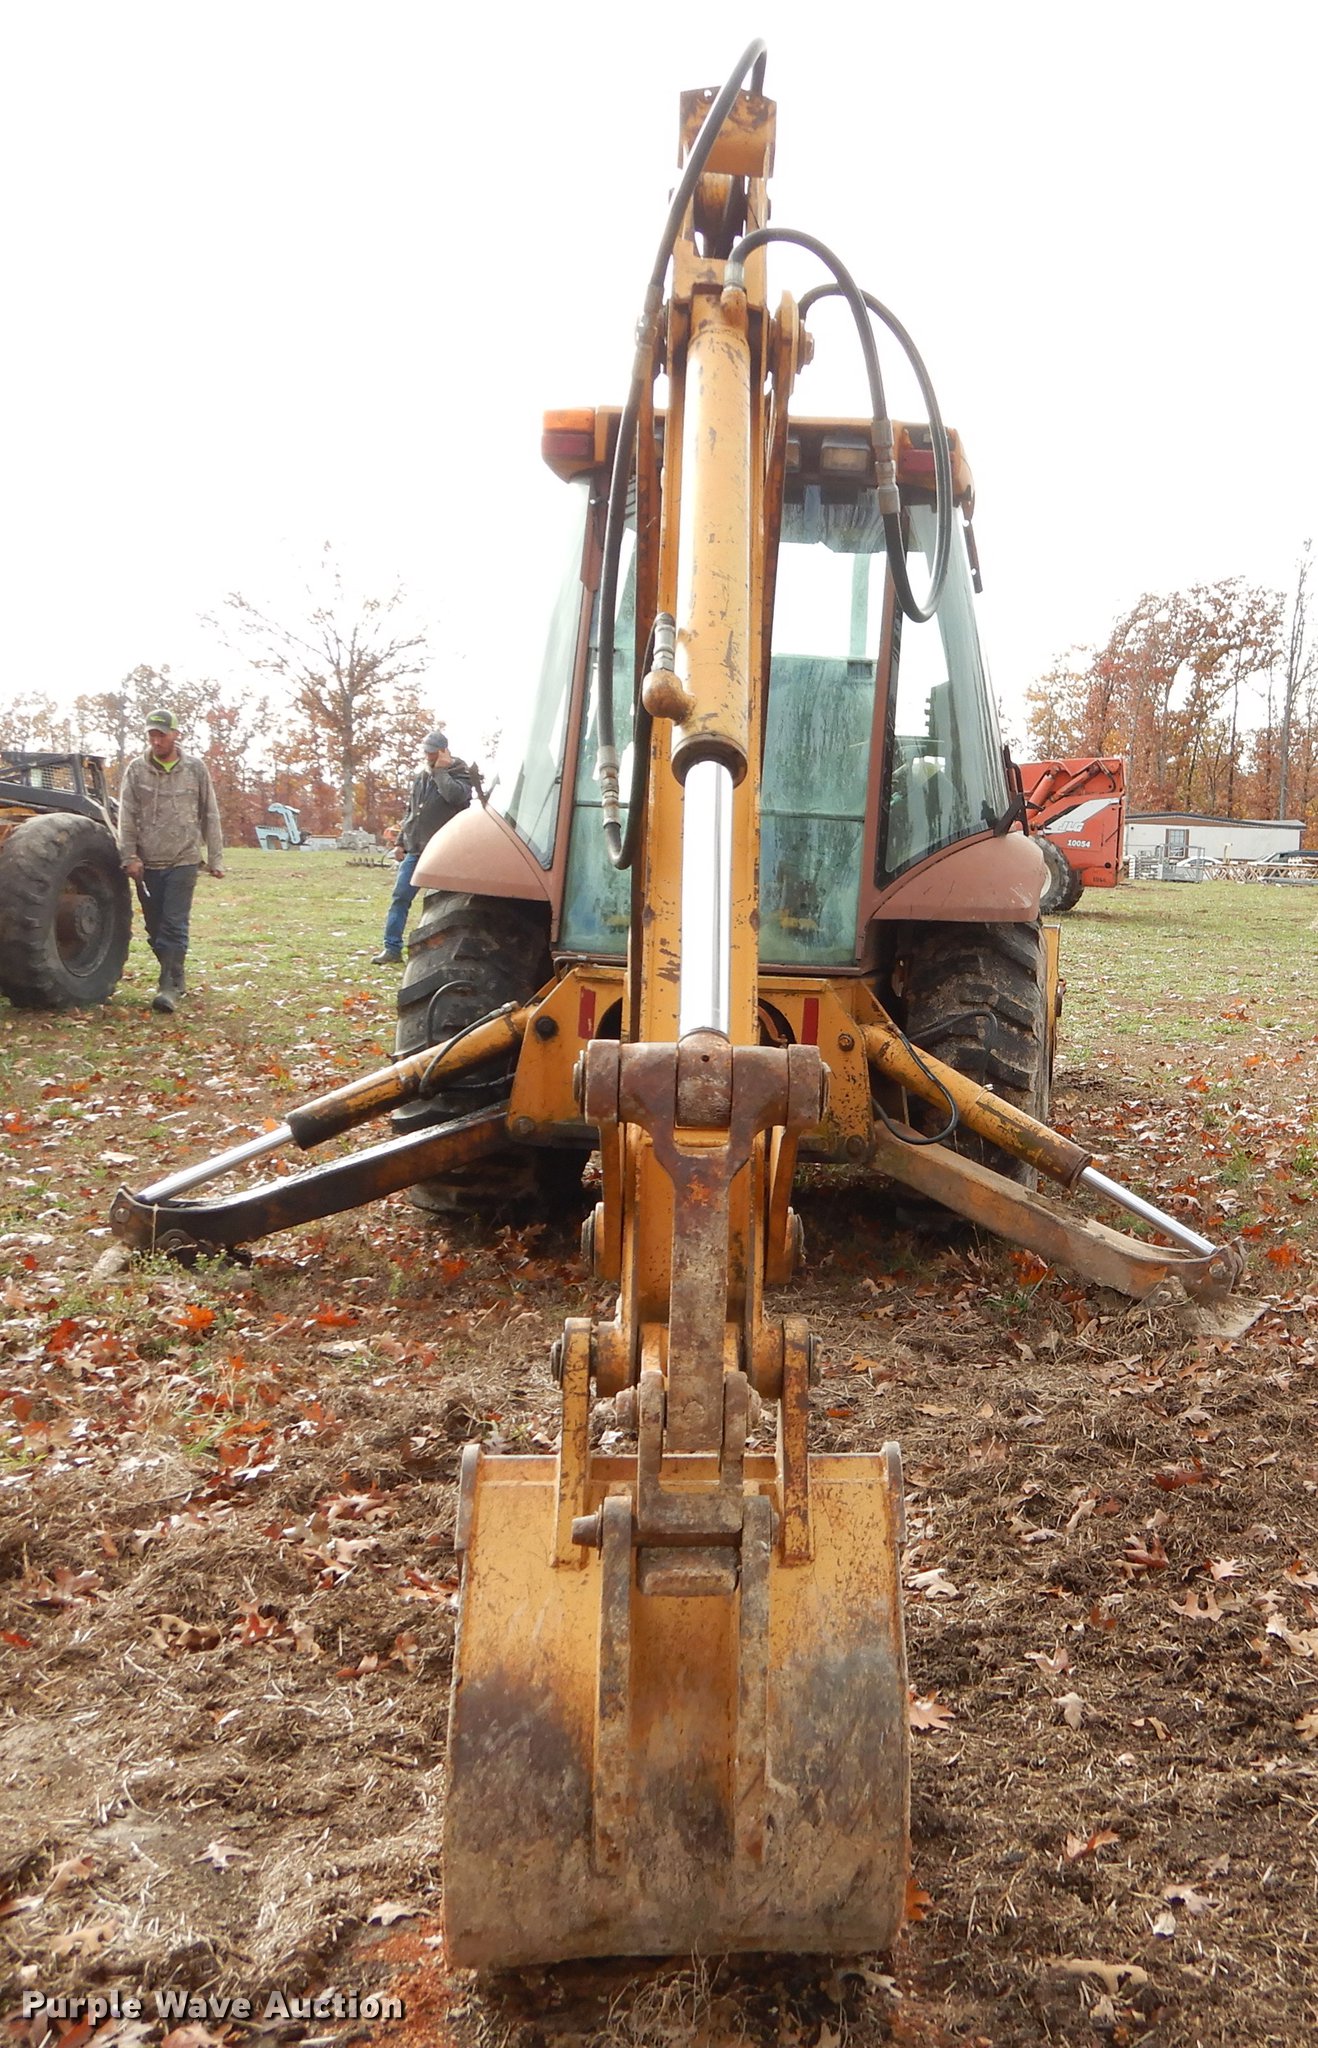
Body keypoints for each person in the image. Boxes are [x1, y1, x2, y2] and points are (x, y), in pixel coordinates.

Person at [117, 708, 225, 1014]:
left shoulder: (195, 769)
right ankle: (176, 975)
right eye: (152, 735)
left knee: (174, 924)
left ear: (176, 735)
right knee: (154, 927)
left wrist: (215, 858)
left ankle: (166, 987)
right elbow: (126, 816)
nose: (156, 741)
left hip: (184, 859)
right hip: (147, 863)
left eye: (161, 735)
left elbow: (210, 813)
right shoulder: (136, 770)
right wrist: (129, 856)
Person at [373, 730, 473, 965]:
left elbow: (456, 797)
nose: (428, 756)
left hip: (445, 852)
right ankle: (391, 948)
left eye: (432, 752)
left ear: (443, 751)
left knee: (447, 905)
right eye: (426, 751)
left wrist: (440, 771)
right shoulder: (421, 776)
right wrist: (401, 842)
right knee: (400, 897)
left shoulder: (460, 772)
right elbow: (411, 811)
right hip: (416, 849)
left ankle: (444, 955)